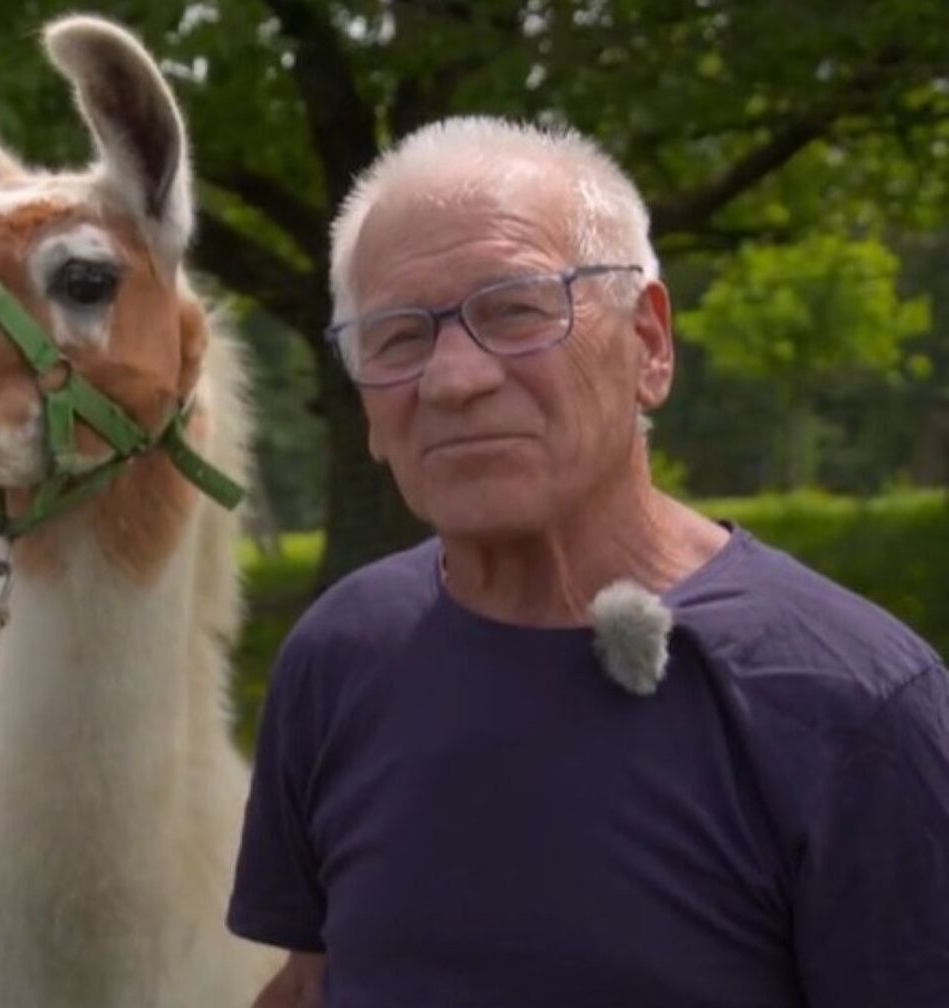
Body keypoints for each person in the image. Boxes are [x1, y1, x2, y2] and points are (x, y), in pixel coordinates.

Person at [229, 115, 949, 1007]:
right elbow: (309, 982)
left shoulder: (854, 710)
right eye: (398, 337)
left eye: (515, 310)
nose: (452, 379)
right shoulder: (339, 654)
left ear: (649, 345)